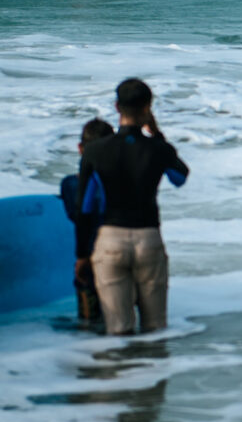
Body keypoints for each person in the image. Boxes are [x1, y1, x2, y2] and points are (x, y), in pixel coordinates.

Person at [78, 78, 189, 336]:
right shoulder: (158, 149)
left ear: (117, 107)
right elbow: (180, 177)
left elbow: (84, 207)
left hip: (111, 240)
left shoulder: (95, 152)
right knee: (155, 329)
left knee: (118, 330)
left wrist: (82, 255)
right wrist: (157, 134)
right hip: (148, 239)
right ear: (148, 108)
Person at [60, 118, 115, 325]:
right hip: (124, 251)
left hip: (90, 256)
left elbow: (76, 216)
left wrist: (81, 257)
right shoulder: (127, 182)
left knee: (90, 324)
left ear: (80, 148)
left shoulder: (70, 184)